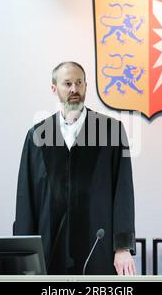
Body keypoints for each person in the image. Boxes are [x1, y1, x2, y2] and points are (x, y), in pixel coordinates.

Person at [14, 61, 136, 275]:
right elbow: (26, 198)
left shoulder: (111, 131)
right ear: (54, 88)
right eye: (67, 83)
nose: (74, 89)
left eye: (79, 83)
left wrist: (123, 247)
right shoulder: (38, 136)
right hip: (49, 248)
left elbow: (123, 192)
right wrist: (24, 254)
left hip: (97, 246)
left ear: (86, 86)